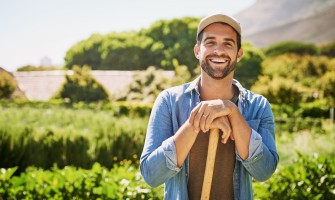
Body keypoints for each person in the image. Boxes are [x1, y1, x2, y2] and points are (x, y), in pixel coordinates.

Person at [140, 13, 279, 200]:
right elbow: (151, 175)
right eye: (210, 42)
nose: (219, 50)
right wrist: (195, 123)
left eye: (228, 43)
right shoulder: (169, 101)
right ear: (197, 50)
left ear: (239, 53)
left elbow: (264, 171)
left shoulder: (259, 106)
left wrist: (231, 111)